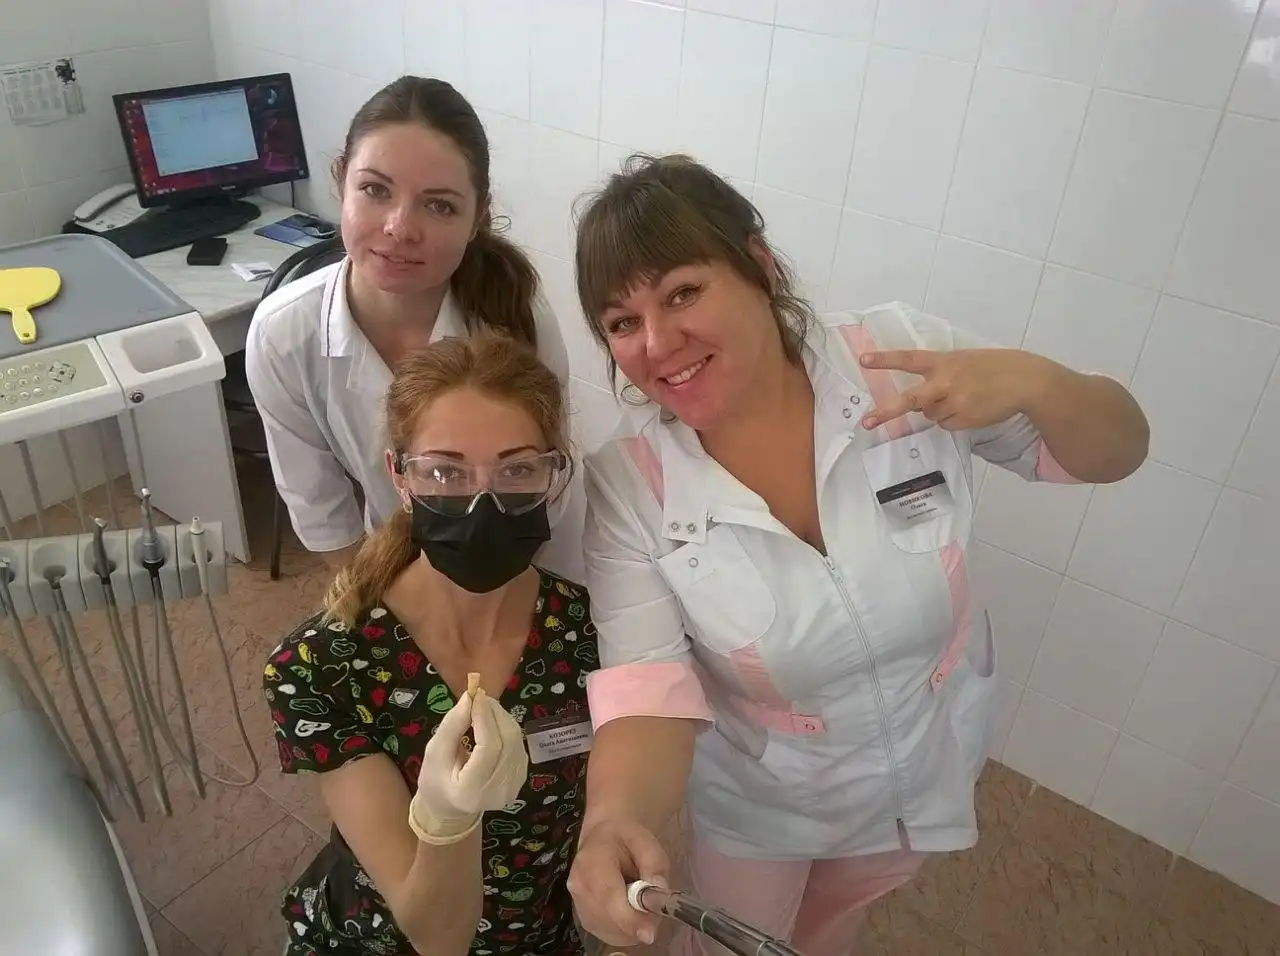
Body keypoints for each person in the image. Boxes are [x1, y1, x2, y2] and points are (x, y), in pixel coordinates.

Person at [565, 154, 1150, 956]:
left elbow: (1118, 451)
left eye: (682, 293)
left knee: (832, 931)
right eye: (622, 323)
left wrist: (1037, 381)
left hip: (921, 766)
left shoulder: (896, 361)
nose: (659, 343)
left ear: (760, 267)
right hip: (763, 806)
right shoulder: (631, 486)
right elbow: (646, 691)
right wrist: (613, 819)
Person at [263, 333, 595, 956]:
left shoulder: (588, 631)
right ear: (400, 476)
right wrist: (447, 821)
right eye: (445, 471)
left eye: (517, 469)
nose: (483, 503)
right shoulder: (321, 667)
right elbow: (437, 937)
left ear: (555, 474)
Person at [246, 75, 570, 569]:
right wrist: (385, 607)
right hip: (391, 562)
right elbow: (323, 514)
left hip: (525, 561)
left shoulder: (518, 314)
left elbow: (548, 489)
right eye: (375, 189)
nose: (399, 228)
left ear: (477, 218)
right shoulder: (283, 336)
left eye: (439, 205)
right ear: (341, 181)